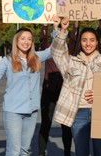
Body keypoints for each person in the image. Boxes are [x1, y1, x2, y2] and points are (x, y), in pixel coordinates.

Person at [51, 13, 101, 156]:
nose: (88, 43)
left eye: (92, 40)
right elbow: (56, 52)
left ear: (97, 42)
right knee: (81, 151)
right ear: (80, 42)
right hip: (79, 113)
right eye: (84, 40)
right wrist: (63, 30)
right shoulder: (71, 61)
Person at [0, 27, 52, 156]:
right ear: (16, 41)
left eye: (29, 39)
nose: (26, 42)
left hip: (31, 112)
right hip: (13, 112)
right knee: (14, 151)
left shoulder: (37, 57)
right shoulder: (8, 60)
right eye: (23, 38)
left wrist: (58, 29)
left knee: (24, 150)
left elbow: (53, 50)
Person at [38, 18, 78, 156]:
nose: (56, 36)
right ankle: (41, 153)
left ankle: (67, 152)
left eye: (59, 32)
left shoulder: (68, 48)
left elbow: (74, 37)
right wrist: (46, 22)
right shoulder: (47, 48)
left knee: (66, 125)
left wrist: (76, 20)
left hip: (64, 90)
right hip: (48, 90)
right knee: (45, 124)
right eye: (54, 33)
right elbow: (43, 38)